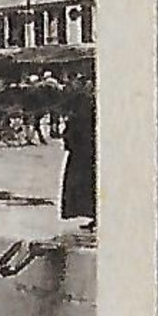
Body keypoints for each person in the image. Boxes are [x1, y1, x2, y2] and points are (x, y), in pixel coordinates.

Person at [59, 75, 96, 231]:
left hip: (84, 151)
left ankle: (96, 215)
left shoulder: (85, 104)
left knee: (87, 184)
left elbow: (77, 125)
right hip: (84, 150)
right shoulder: (85, 102)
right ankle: (95, 215)